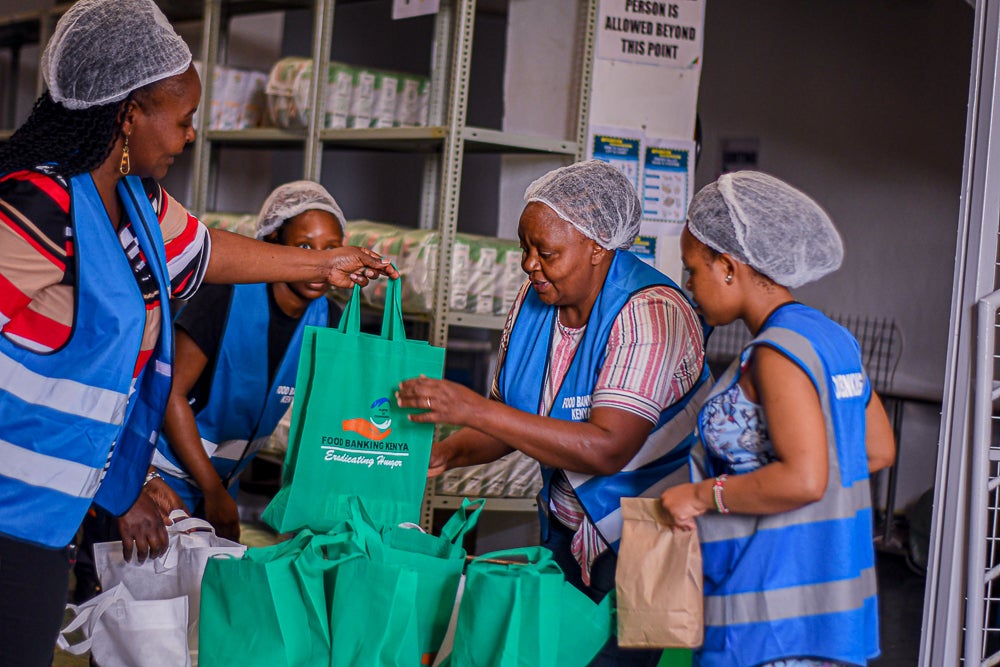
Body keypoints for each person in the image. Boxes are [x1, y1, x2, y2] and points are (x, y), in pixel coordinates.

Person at [0, 1, 395, 663]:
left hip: (50, 513)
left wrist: (326, 262)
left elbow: (208, 252)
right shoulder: (37, 205)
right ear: (128, 114)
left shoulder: (134, 203)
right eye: (181, 120)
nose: (188, 137)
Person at [396, 160, 712, 666]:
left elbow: (608, 447)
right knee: (559, 654)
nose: (529, 264)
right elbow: (511, 417)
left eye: (547, 252)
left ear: (598, 247)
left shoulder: (651, 312)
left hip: (654, 535)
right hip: (568, 525)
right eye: (525, 248)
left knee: (620, 661)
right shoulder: (536, 298)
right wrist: (448, 451)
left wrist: (474, 409)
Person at [658, 171, 897, 667]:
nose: (689, 287)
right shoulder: (830, 338)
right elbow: (876, 449)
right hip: (830, 607)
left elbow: (805, 479)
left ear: (727, 267)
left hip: (767, 616)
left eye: (692, 270)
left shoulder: (775, 353)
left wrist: (701, 496)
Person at [151, 181, 347, 541]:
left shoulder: (329, 319)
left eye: (331, 249)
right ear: (273, 245)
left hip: (223, 484)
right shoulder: (226, 295)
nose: (319, 260)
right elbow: (169, 394)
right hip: (161, 478)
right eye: (304, 247)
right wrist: (212, 492)